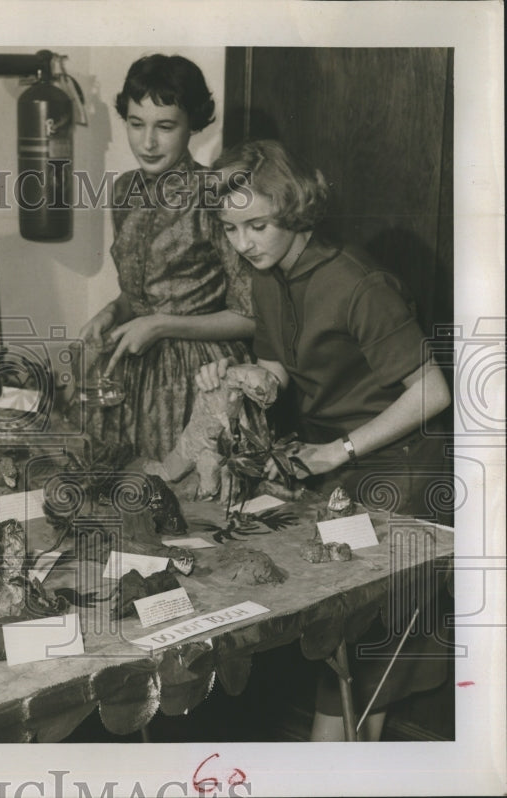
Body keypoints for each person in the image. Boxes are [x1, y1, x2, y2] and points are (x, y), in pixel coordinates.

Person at [199, 138, 453, 741]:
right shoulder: (267, 274)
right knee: (348, 648)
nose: (243, 243)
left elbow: (433, 391)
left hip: (402, 473)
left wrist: (341, 450)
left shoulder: (359, 282)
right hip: (341, 473)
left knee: (369, 650)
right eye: (232, 229)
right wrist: (252, 377)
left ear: (292, 208)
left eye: (256, 225)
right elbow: (282, 365)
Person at [78, 54, 255, 462]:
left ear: (192, 124)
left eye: (165, 126)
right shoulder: (123, 192)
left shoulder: (215, 195)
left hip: (196, 377)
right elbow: (140, 292)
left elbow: (249, 317)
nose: (148, 142)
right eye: (136, 124)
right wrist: (112, 311)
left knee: (185, 503)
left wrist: (160, 325)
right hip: (130, 369)